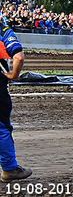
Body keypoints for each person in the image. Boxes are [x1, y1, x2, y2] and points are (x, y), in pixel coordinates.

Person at [0, 21, 31, 182]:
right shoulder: (3, 30)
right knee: (1, 128)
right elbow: (18, 57)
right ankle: (10, 169)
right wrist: (13, 75)